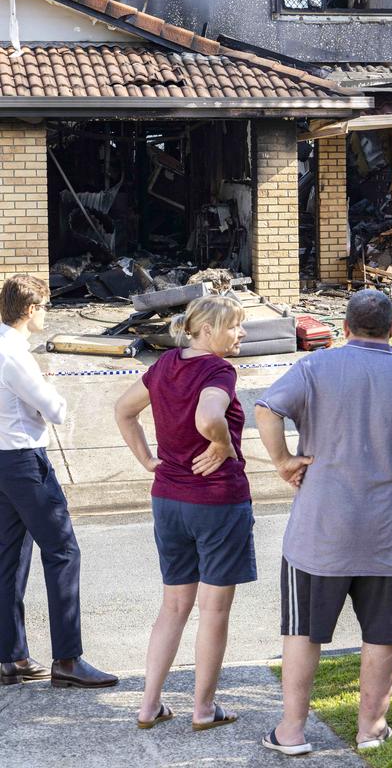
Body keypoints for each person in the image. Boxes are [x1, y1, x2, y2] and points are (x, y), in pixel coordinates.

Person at [255, 289, 392, 755]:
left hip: (320, 531)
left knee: (302, 631)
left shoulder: (315, 368)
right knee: (382, 632)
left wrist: (284, 460)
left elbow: (266, 409)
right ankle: (371, 729)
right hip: (387, 532)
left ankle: (292, 732)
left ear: (344, 329)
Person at [116, 294, 256, 730]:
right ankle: (202, 709)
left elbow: (124, 410)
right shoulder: (218, 369)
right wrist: (223, 444)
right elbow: (208, 415)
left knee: (173, 607)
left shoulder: (166, 364)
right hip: (216, 500)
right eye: (235, 326)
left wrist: (147, 460)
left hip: (169, 498)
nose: (242, 333)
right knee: (213, 611)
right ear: (209, 330)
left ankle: (149, 705)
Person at [0, 273, 118, 688]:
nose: (46, 314)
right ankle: (68, 659)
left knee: (9, 558)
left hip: (1, 460)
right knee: (63, 552)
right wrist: (50, 393)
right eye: (45, 307)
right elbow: (56, 410)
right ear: (31, 310)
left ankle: (10, 658)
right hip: (24, 460)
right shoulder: (15, 354)